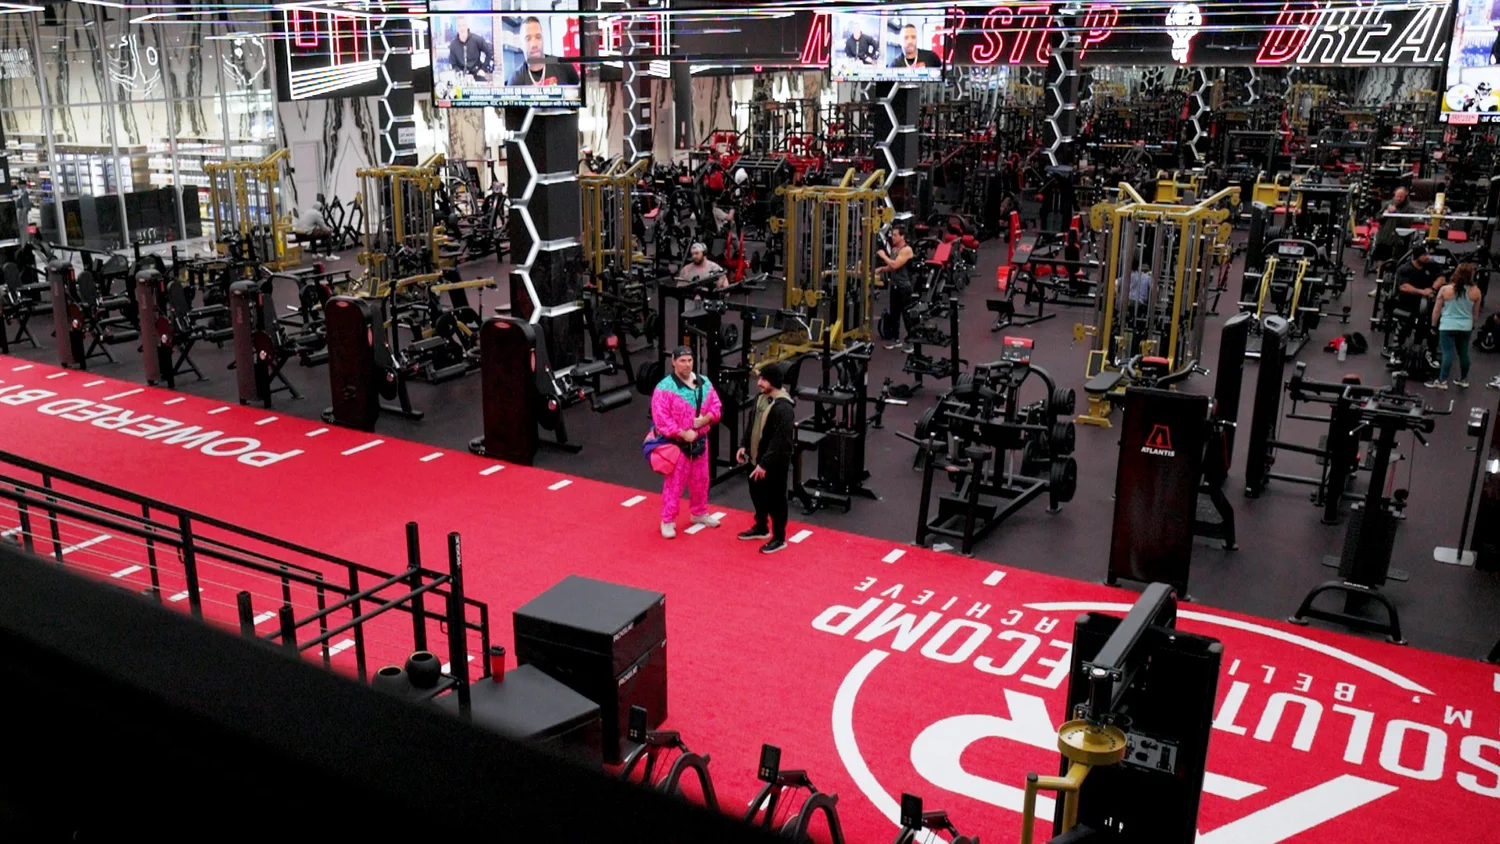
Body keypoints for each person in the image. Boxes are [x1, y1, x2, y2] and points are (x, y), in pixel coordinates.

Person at [650, 346, 722, 538]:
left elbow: (716, 406)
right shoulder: (664, 388)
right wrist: (682, 433)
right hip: (678, 445)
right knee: (674, 485)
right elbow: (661, 419)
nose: (687, 364)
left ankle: (699, 512)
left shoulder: (704, 382)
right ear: (673, 362)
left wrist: (706, 419)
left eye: (690, 360)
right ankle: (667, 520)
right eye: (682, 361)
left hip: (700, 442)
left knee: (701, 480)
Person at [737, 362, 795, 554]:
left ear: (774, 382)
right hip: (756, 459)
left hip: (774, 465)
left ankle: (779, 538)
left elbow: (780, 441)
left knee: (777, 500)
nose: (759, 383)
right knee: (757, 495)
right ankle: (761, 526)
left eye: (763, 379)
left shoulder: (784, 409)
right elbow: (751, 424)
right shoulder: (760, 399)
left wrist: (764, 464)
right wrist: (744, 445)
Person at [1429, 262, 1482, 389]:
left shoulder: (1445, 290)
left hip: (1447, 325)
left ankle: (1442, 381)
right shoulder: (1476, 291)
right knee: (1463, 353)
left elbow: (1436, 310)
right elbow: (1475, 313)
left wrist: (1433, 325)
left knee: (1447, 353)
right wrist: (1472, 325)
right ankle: (1463, 380)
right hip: (1465, 327)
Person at [507, 16, 579, 87]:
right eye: (528, 39)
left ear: (543, 39)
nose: (534, 44)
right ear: (521, 44)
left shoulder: (564, 66)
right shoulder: (515, 81)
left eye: (538, 37)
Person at [876, 226, 915, 351]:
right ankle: (895, 339)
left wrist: (883, 256)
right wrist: (882, 269)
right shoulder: (894, 249)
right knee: (894, 315)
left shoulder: (906, 250)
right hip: (895, 286)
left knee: (907, 315)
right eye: (892, 235)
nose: (892, 237)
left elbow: (895, 264)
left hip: (904, 288)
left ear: (902, 236)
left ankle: (912, 343)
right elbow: (891, 267)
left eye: (895, 235)